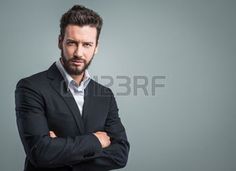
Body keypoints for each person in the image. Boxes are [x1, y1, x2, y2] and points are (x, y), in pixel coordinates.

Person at [15, 5, 129, 171]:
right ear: (60, 42)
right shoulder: (31, 87)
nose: (78, 53)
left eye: (87, 44)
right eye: (72, 43)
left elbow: (120, 155)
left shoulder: (105, 95)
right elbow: (41, 153)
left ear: (96, 47)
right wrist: (96, 141)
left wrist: (59, 151)